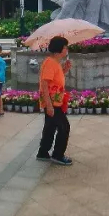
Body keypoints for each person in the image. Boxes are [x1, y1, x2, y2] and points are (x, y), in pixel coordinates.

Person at [36, 36, 72, 166]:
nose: (67, 50)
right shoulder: (50, 63)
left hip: (54, 101)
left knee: (50, 127)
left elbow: (55, 79)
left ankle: (43, 152)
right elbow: (45, 84)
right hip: (52, 102)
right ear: (59, 49)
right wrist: (49, 105)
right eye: (65, 47)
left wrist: (65, 70)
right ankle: (58, 155)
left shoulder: (55, 62)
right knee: (64, 127)